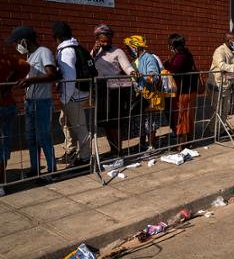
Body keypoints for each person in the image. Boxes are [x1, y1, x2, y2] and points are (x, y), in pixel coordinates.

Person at [5, 26, 57, 180]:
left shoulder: (43, 52)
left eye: (16, 43)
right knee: (31, 138)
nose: (16, 46)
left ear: (24, 41)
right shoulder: (29, 55)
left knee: (44, 137)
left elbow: (51, 75)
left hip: (42, 102)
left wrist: (30, 81)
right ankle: (35, 169)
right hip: (30, 102)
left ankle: (51, 170)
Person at [92, 24, 137, 157]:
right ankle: (112, 148)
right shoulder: (95, 52)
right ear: (97, 39)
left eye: (108, 40)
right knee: (106, 123)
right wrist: (94, 52)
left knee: (115, 122)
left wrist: (133, 72)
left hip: (115, 90)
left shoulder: (118, 52)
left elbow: (127, 66)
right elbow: (90, 65)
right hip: (101, 90)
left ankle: (119, 150)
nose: (105, 43)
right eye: (102, 41)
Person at [52, 22, 91, 166]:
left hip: (72, 96)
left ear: (56, 37)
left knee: (80, 128)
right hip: (79, 93)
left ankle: (85, 159)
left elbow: (69, 77)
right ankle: (72, 152)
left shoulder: (66, 51)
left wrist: (64, 98)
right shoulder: (77, 47)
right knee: (66, 123)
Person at [124, 35, 163, 151]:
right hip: (140, 94)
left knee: (150, 123)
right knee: (141, 122)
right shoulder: (136, 60)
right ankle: (142, 144)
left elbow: (154, 75)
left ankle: (151, 146)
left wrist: (147, 77)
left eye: (128, 48)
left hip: (149, 95)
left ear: (134, 47)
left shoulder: (148, 58)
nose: (127, 50)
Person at [0, 52, 29, 195]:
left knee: (3, 145)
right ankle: (1, 182)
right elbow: (25, 66)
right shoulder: (5, 58)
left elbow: (24, 66)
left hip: (5, 107)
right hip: (7, 105)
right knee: (3, 144)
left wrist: (9, 83)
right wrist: (9, 83)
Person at [164, 34, 198, 149]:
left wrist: (167, 64)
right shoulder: (188, 54)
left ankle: (181, 145)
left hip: (183, 91)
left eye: (169, 43)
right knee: (189, 116)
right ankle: (190, 142)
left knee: (181, 117)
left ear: (173, 44)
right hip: (191, 90)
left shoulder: (180, 56)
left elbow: (176, 69)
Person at [209, 32, 234, 136]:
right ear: (228, 41)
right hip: (218, 84)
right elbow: (221, 65)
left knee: (225, 110)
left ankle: (221, 130)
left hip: (229, 84)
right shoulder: (220, 51)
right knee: (217, 109)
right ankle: (214, 131)